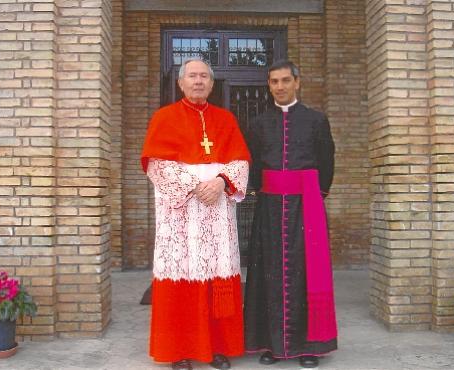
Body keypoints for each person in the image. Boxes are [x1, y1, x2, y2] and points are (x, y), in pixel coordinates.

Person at [141, 59, 250, 370]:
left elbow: (240, 162)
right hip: (181, 216)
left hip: (217, 213)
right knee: (183, 277)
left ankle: (216, 348)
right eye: (193, 76)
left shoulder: (226, 119)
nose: (199, 81)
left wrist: (220, 182)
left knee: (216, 279)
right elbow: (157, 165)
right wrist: (195, 184)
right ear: (181, 82)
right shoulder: (164, 118)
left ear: (212, 84)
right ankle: (180, 351)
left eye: (204, 76)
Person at [244, 60, 337, 368]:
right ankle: (272, 345)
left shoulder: (316, 120)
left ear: (297, 82)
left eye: (285, 80)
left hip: (306, 205)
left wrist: (315, 194)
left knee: (307, 274)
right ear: (268, 85)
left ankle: (308, 347)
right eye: (274, 81)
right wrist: (260, 192)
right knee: (268, 274)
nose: (280, 87)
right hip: (270, 207)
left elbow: (327, 159)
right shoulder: (258, 123)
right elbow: (253, 164)